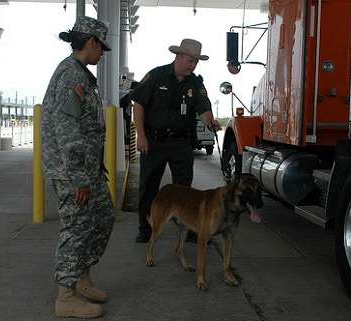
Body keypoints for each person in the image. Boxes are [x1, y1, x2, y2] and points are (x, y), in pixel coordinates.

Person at [42, 16, 114, 318]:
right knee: (76, 228)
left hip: (87, 168)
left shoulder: (81, 74)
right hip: (73, 171)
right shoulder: (71, 75)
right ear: (92, 42)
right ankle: (66, 296)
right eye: (102, 48)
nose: (102, 54)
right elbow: (66, 129)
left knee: (103, 218)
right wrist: (79, 178)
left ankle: (82, 278)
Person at [130, 38, 221, 243]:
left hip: (181, 143)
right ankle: (145, 228)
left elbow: (204, 108)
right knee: (149, 187)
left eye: (195, 62)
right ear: (178, 57)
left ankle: (189, 229)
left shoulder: (196, 83)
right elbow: (138, 105)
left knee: (185, 190)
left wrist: (210, 122)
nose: (192, 65)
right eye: (190, 61)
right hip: (154, 142)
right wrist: (141, 136)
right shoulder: (156, 75)